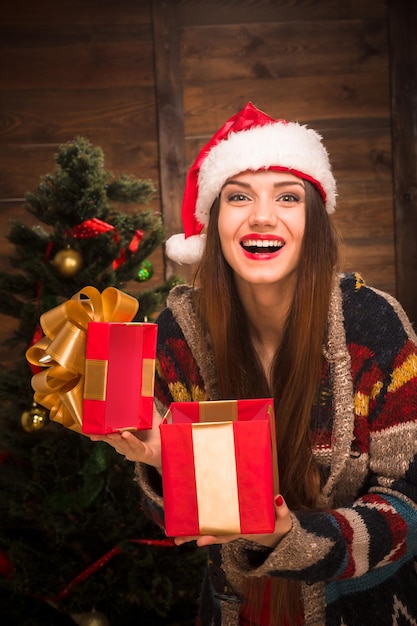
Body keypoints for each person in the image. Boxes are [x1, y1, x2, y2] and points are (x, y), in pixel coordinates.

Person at [89, 102, 417, 625]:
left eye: (287, 197)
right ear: (213, 222)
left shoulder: (374, 325)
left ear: (314, 219)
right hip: (233, 608)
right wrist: (163, 462)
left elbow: (409, 509)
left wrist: (291, 537)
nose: (262, 216)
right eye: (239, 196)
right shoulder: (178, 333)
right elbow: (175, 524)